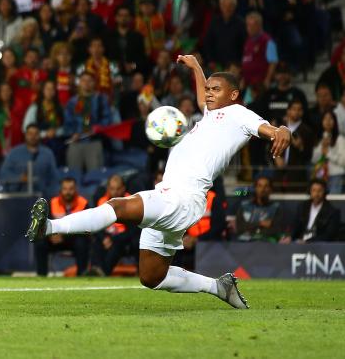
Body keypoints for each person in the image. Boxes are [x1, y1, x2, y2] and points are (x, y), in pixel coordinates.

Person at [27, 54, 291, 309]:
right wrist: (196, 67)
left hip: (181, 198)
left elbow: (267, 129)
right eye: (208, 88)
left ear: (233, 95)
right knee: (152, 276)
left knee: (118, 206)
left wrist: (283, 131)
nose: (209, 93)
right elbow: (201, 98)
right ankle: (218, 287)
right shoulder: (212, 113)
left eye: (216, 89)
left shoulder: (239, 113)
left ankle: (49, 227)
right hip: (173, 197)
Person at [34, 177, 91, 277]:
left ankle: (82, 276)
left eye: (71, 189)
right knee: (40, 243)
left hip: (73, 240)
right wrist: (51, 235)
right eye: (65, 189)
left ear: (75, 189)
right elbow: (43, 224)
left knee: (82, 242)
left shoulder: (83, 204)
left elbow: (85, 228)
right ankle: (41, 276)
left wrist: (64, 236)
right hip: (54, 239)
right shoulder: (52, 203)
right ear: (61, 190)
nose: (68, 192)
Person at [0, 124, 60, 196]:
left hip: (41, 197)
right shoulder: (14, 153)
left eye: (36, 134)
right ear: (25, 135)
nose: (33, 137)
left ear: (39, 135)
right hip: (18, 196)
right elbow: (3, 173)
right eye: (30, 134)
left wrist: (50, 195)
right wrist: (19, 178)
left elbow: (54, 177)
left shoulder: (47, 154)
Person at [282, 179, 341, 243]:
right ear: (310, 191)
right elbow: (295, 226)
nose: (316, 194)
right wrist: (290, 237)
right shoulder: (302, 207)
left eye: (320, 191)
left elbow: (329, 235)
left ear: (325, 192)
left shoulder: (332, 211)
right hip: (300, 241)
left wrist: (308, 241)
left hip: (318, 244)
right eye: (314, 190)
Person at [232, 176, 282, 242]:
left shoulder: (276, 208)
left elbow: (276, 230)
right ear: (255, 188)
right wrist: (260, 223)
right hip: (245, 242)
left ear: (270, 189)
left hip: (266, 242)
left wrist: (251, 227)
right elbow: (240, 227)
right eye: (259, 186)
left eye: (266, 186)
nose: (263, 189)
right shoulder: (244, 206)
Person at [311, 111, 345, 193]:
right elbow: (313, 160)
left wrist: (328, 153)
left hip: (336, 175)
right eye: (325, 119)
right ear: (322, 121)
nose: (328, 121)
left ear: (335, 122)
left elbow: (343, 161)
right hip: (320, 175)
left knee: (333, 199)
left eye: (330, 119)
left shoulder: (340, 139)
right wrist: (322, 147)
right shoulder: (318, 139)